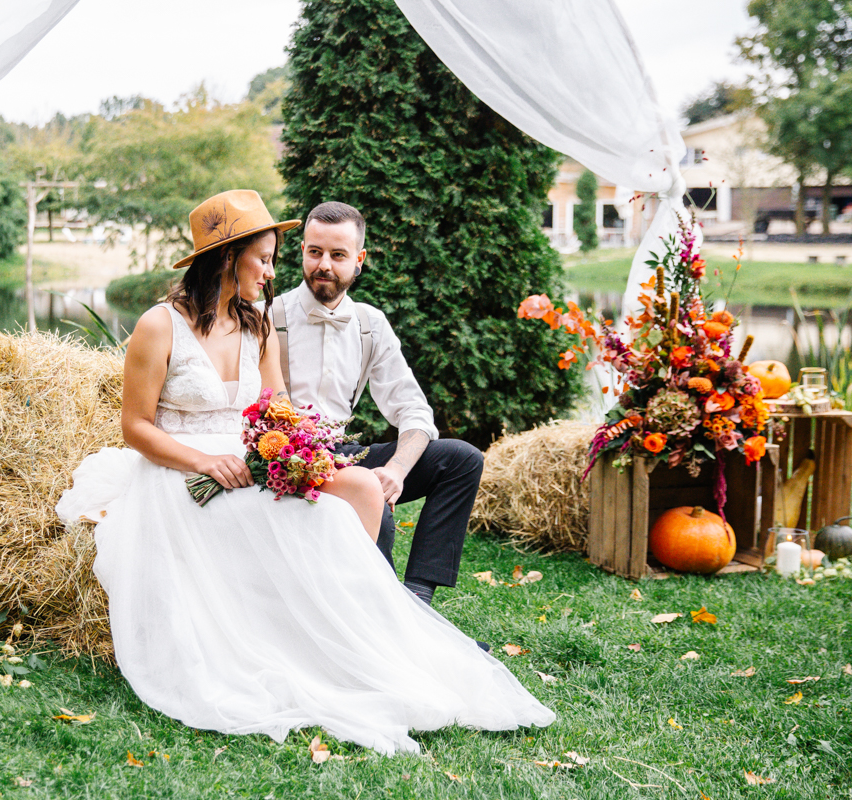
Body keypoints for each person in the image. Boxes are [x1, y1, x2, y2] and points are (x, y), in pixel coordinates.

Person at [57, 190, 553, 755]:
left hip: (259, 457)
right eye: (265, 259)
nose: (272, 272)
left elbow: (278, 409)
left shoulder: (261, 324)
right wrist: (204, 461)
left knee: (364, 487)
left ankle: (377, 625)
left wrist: (302, 459)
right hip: (181, 473)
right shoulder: (158, 325)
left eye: (274, 260)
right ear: (227, 258)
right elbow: (136, 428)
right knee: (317, 518)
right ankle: (340, 633)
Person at [270, 201, 482, 609]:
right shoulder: (270, 315)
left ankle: (417, 596)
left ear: (359, 260)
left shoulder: (370, 324)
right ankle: (380, 615)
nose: (324, 265)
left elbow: (413, 410)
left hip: (343, 453)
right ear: (301, 252)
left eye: (338, 255)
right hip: (288, 458)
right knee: (376, 508)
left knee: (461, 459)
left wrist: (396, 469)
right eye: (314, 252)